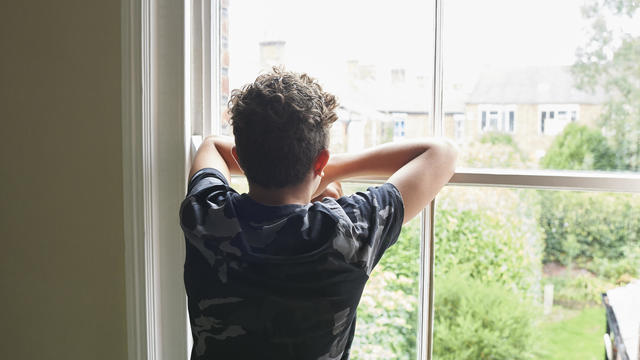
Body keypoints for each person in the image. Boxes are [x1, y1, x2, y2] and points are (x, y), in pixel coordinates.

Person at [179, 68, 457, 359]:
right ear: (321, 160)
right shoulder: (345, 231)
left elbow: (212, 145)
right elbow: (442, 153)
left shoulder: (206, 215)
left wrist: (315, 168)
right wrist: (325, 170)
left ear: (240, 158)